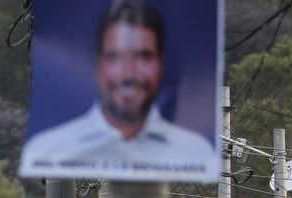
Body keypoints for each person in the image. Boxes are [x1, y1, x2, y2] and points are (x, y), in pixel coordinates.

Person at [20, 0, 216, 176]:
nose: (129, 74)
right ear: (97, 63)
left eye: (144, 56)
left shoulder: (198, 150)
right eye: (115, 57)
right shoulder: (48, 148)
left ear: (162, 63)